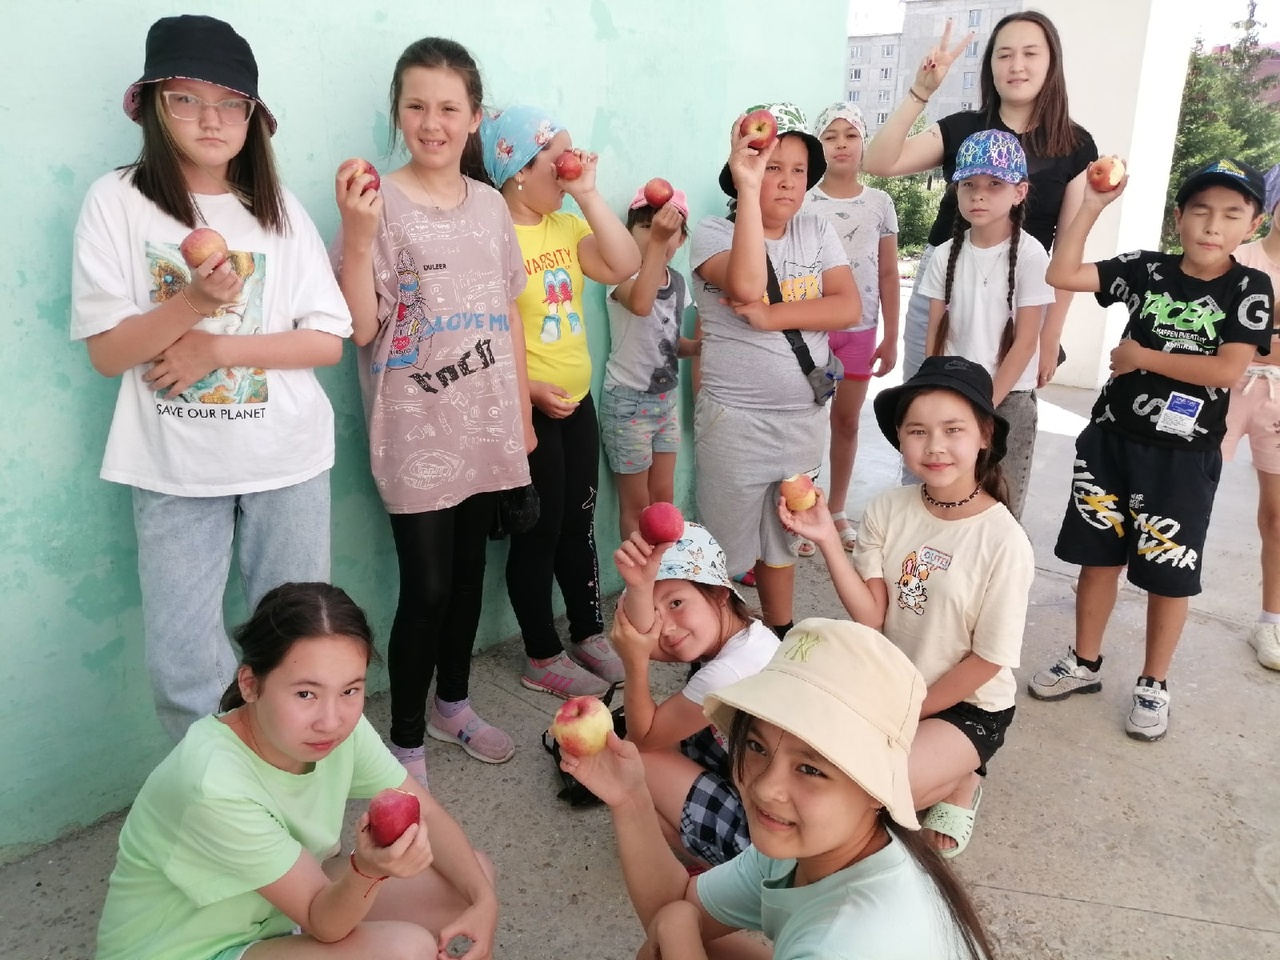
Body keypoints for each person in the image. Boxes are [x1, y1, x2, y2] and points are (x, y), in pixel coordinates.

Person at [70, 16, 352, 741]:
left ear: (253, 117)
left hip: (287, 460)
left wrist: (216, 350)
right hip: (172, 467)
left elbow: (327, 341)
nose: (210, 119)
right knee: (184, 668)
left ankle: (295, 786)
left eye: (231, 103)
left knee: (299, 651)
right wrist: (194, 302)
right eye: (186, 99)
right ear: (152, 106)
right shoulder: (117, 200)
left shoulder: (278, 209)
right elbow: (108, 353)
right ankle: (210, 802)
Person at [94, 583, 499, 960]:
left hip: (277, 912)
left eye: (349, 690)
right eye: (306, 693)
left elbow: (426, 812)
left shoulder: (340, 730)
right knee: (405, 951)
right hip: (192, 949)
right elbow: (323, 920)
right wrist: (367, 872)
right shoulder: (213, 784)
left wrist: (485, 902)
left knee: (471, 879)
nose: (331, 720)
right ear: (250, 684)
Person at [557, 618, 996, 960]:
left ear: (875, 790)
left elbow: (674, 916)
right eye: (755, 746)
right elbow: (677, 902)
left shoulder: (842, 942)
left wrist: (676, 928)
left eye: (810, 768)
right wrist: (630, 798)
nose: (766, 788)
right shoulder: (810, 848)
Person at [331, 38, 533, 778]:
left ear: (475, 117)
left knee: (470, 579)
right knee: (428, 588)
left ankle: (454, 706)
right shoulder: (374, 205)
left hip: (487, 427)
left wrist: (521, 419)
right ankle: (407, 739)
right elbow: (360, 328)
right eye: (416, 105)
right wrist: (359, 239)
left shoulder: (491, 205)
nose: (431, 122)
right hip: (414, 430)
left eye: (449, 108)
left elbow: (509, 316)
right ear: (398, 113)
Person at [1028, 158, 1274, 741]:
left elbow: (1226, 370)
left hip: (1183, 457)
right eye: (1201, 210)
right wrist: (1092, 205)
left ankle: (1153, 682)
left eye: (1231, 214)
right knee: (1098, 558)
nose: (1212, 225)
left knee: (1171, 571)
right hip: (1111, 441)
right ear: (1179, 216)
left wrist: (1143, 358)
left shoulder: (1249, 287)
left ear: (1252, 225)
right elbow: (1063, 273)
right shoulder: (1145, 268)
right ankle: (1084, 661)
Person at [781, 356, 1033, 858]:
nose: (934, 445)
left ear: (984, 435)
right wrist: (827, 539)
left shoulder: (1004, 540)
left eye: (953, 430)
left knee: (867, 798)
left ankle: (963, 776)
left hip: (966, 705)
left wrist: (910, 713)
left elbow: (988, 661)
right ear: (900, 438)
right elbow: (872, 615)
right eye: (917, 431)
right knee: (808, 769)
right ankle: (941, 768)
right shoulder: (887, 508)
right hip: (890, 686)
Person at [479, 105, 641, 699]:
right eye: (559, 156)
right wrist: (526, 392)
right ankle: (541, 654)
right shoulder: (491, 235)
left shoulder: (567, 227)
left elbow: (625, 263)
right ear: (520, 169)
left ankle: (588, 631)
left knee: (579, 522)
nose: (573, 164)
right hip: (528, 410)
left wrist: (588, 194)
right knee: (539, 532)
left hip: (578, 402)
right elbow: (477, 336)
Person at [691, 102, 860, 639]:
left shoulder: (816, 230)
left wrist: (771, 317)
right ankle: (713, 648)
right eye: (771, 167)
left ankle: (778, 635)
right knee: (721, 551)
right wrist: (748, 191)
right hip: (735, 424)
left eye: (798, 170)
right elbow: (745, 283)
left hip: (802, 420)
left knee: (783, 538)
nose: (787, 181)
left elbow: (847, 306)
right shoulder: (712, 232)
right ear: (743, 166)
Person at [864, 11, 1097, 392]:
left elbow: (1069, 249)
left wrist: (1050, 334)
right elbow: (878, 162)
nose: (1016, 65)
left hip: (1019, 294)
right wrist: (920, 91)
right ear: (990, 66)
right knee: (925, 403)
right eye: (1004, 55)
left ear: (1051, 62)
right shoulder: (962, 128)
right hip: (944, 284)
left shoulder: (1076, 145)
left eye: (1030, 53)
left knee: (1000, 410)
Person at [610, 523, 778, 867]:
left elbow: (644, 738)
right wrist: (639, 587)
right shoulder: (749, 637)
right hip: (768, 783)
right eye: (654, 613)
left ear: (718, 593)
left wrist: (634, 662)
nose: (667, 628)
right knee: (672, 738)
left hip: (769, 844)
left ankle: (728, 872)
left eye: (676, 602)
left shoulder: (726, 673)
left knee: (632, 760)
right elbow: (645, 638)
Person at [918, 130, 1056, 520]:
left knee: (1000, 511)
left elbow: (1026, 342)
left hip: (1007, 401)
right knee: (947, 501)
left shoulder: (1031, 255)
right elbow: (934, 332)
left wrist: (985, 408)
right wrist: (931, 391)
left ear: (1019, 192)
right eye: (969, 185)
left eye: (994, 184)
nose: (979, 195)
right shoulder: (945, 254)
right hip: (952, 394)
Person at [801, 102, 900, 552]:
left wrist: (891, 337)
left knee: (846, 422)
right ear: (819, 145)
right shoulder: (804, 200)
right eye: (830, 136)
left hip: (861, 332)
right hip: (812, 329)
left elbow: (888, 273)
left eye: (851, 135)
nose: (841, 144)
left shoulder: (880, 203)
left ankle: (837, 509)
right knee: (806, 422)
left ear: (863, 142)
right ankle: (802, 509)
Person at [602, 187, 700, 540]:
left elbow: (671, 344)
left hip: (665, 404)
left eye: (668, 227)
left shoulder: (678, 283)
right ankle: (639, 572)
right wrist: (658, 243)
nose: (656, 233)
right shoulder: (621, 277)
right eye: (646, 226)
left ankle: (664, 569)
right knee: (637, 507)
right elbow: (642, 305)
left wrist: (700, 347)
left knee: (663, 500)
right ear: (629, 233)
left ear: (682, 238)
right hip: (627, 405)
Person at [1223, 182, 1280, 671]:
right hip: (1224, 390)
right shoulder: (1238, 257)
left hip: (1277, 402)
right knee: (1185, 497)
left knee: (1278, 517)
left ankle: (1270, 621)